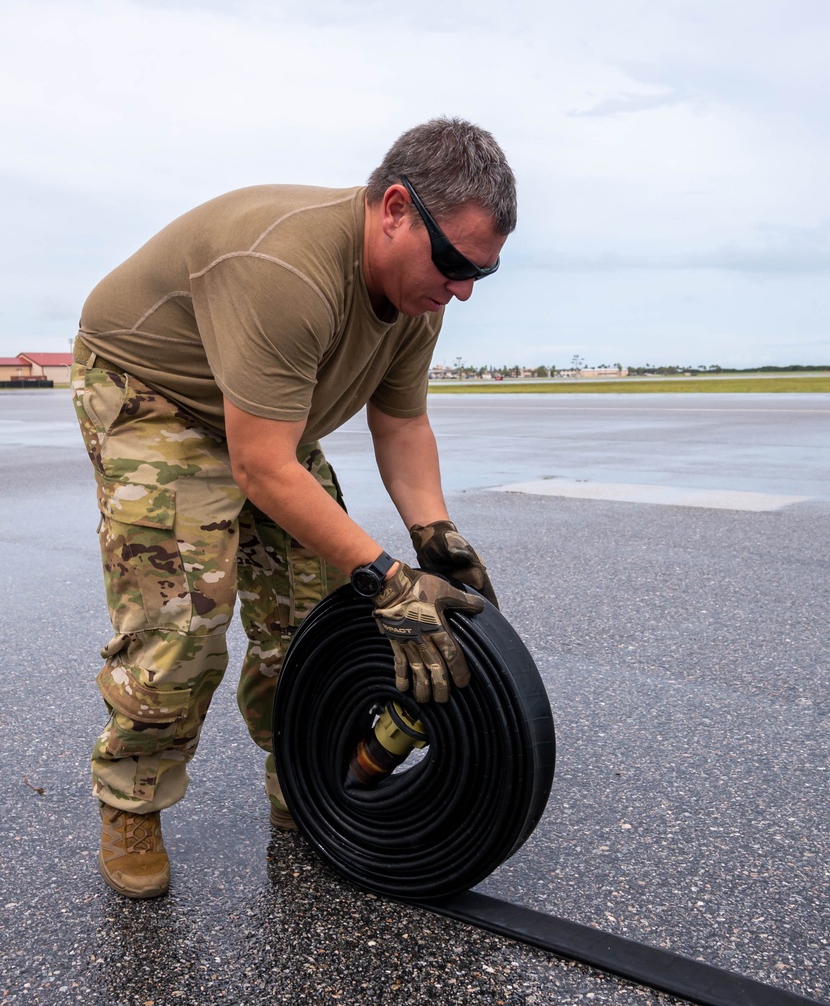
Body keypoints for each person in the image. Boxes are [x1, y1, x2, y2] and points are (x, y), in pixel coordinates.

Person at [71, 117, 516, 899]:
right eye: (454, 263)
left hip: (270, 416)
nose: (463, 289)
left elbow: (403, 421)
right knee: (186, 619)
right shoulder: (287, 269)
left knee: (314, 617)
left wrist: (432, 533)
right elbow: (262, 467)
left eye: (482, 272)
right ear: (395, 210)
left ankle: (311, 784)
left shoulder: (421, 293)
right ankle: (131, 798)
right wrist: (389, 577)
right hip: (159, 395)